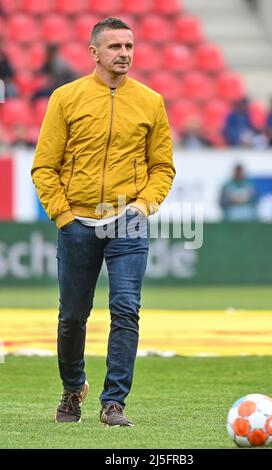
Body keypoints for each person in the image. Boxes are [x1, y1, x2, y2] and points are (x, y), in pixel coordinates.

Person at [31, 17, 175, 426]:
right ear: (94, 52)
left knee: (126, 309)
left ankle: (114, 403)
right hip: (76, 221)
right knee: (73, 315)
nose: (124, 54)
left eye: (129, 46)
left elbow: (162, 166)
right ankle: (73, 388)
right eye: (115, 47)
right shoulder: (65, 98)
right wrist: (62, 214)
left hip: (128, 221)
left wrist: (144, 205)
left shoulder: (151, 101)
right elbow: (44, 166)